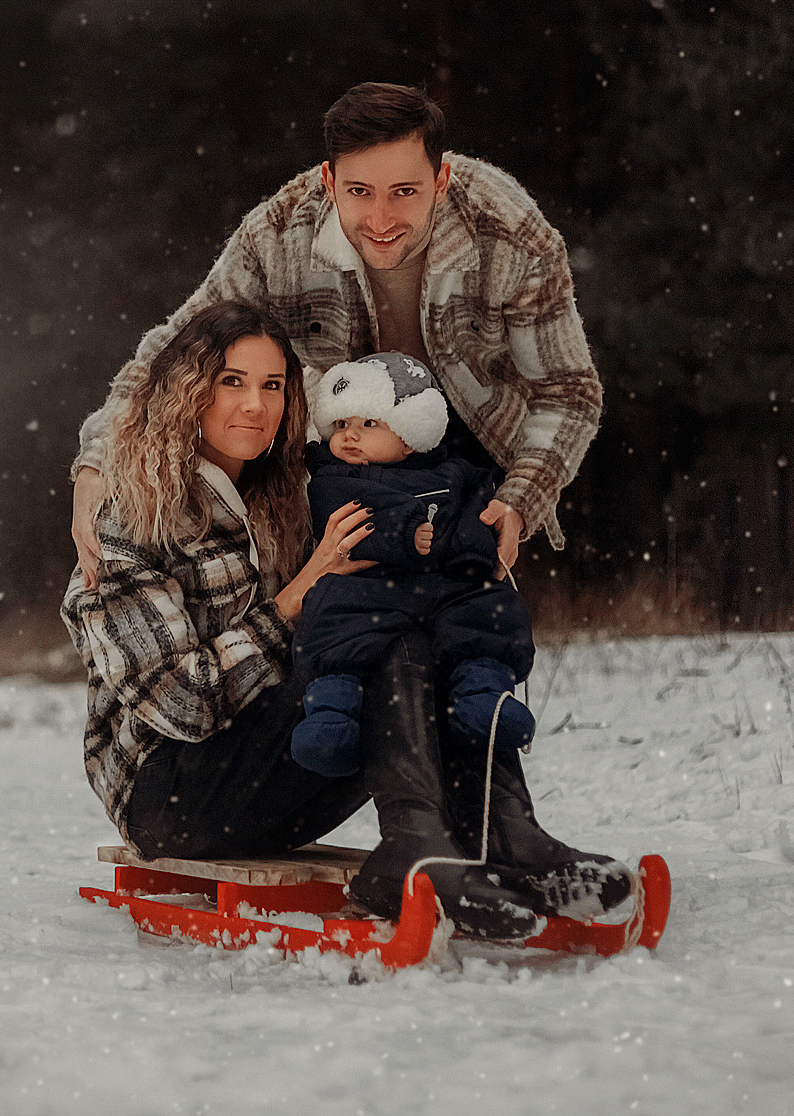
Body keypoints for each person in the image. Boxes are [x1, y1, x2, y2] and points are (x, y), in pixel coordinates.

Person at [67, 82, 627, 923]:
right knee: (375, 629)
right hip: (185, 772)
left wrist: (518, 497)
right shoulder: (275, 241)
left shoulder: (506, 232)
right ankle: (431, 843)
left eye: (405, 189)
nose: (382, 215)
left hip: (459, 454)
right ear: (327, 179)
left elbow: (570, 390)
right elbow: (169, 355)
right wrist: (90, 468)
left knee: (429, 626)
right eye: (359, 190)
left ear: (443, 179)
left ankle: (485, 833)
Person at [60, 300, 543, 939]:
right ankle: (425, 849)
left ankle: (502, 837)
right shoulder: (131, 519)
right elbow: (181, 704)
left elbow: (411, 451)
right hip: (173, 794)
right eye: (231, 381)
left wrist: (482, 513)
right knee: (378, 641)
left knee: (411, 621)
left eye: (273, 385)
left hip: (282, 782)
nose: (255, 405)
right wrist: (295, 597)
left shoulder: (290, 499)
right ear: (188, 391)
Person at [288, 351, 538, 780]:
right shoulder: (332, 475)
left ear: (409, 434)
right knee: (331, 615)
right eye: (342, 424)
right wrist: (400, 530)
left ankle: (483, 695)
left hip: (441, 583)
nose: (349, 436)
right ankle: (332, 712)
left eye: (369, 424)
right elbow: (338, 513)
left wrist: (473, 550)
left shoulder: (452, 473)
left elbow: (479, 506)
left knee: (488, 609)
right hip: (368, 583)